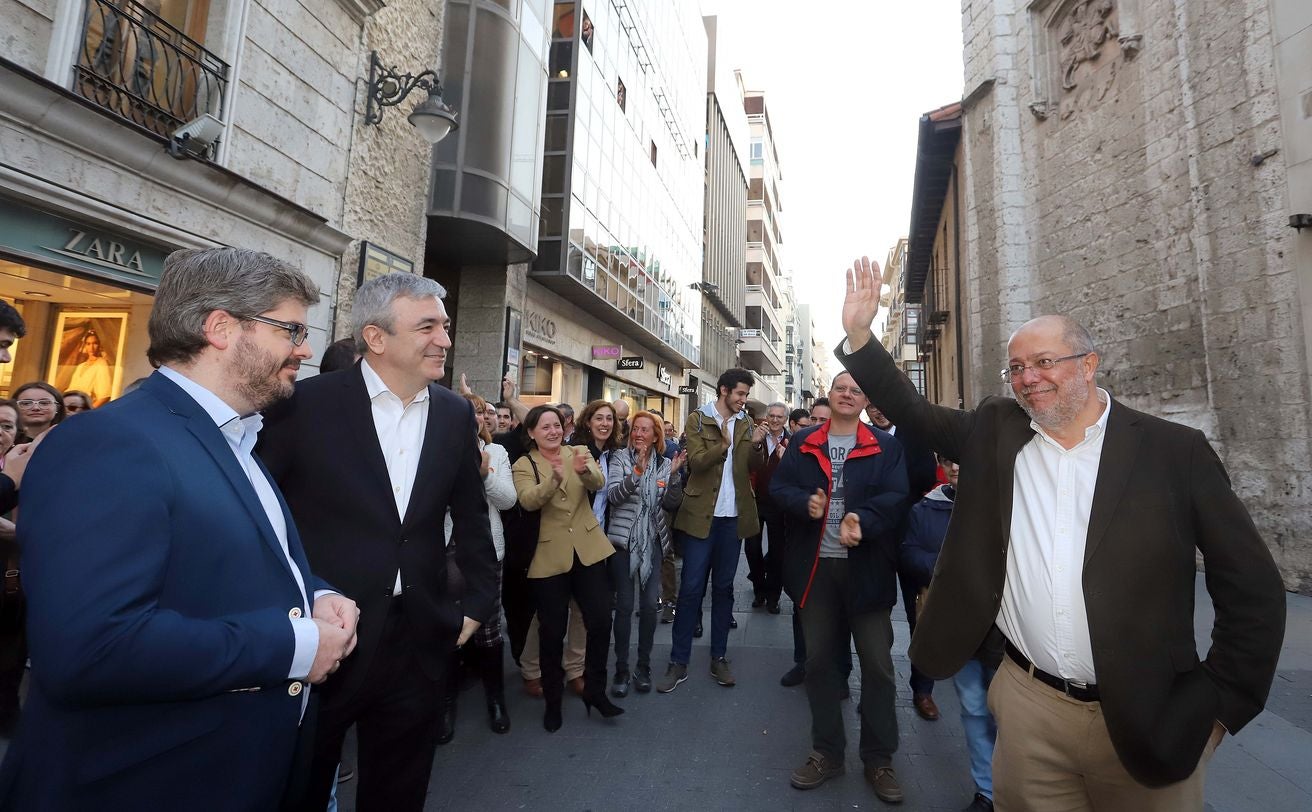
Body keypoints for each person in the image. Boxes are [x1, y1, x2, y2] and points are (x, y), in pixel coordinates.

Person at [837, 256, 1286, 809]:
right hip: (1029, 707)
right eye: (1017, 367)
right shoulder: (995, 430)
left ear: (1089, 363)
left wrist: (1219, 708)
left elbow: (1252, 588)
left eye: (1044, 361)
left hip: (1154, 712)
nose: (1028, 378)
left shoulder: (1174, 451)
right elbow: (911, 410)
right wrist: (859, 334)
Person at [0, 247, 357, 809]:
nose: (305, 349)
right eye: (291, 329)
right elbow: (90, 650)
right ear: (220, 328)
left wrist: (317, 593)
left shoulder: (236, 438)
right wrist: (293, 644)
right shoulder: (109, 443)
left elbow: (226, 562)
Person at [259, 272, 498, 812]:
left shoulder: (455, 414)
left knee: (400, 791)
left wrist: (479, 603)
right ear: (376, 337)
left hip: (421, 638)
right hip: (325, 638)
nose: (445, 339)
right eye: (428, 327)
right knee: (298, 786)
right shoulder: (302, 405)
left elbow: (470, 515)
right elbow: (263, 515)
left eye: (446, 326)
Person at [770, 370, 910, 803]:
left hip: (866, 573)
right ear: (829, 395)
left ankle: (879, 759)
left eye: (856, 390)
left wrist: (862, 521)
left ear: (866, 399)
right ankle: (827, 753)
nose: (848, 395)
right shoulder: (804, 441)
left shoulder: (886, 446)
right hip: (816, 572)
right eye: (841, 389)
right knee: (819, 666)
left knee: (879, 668)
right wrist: (803, 503)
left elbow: (896, 497)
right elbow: (779, 488)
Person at [511, 405, 622, 731]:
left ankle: (596, 692)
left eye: (556, 425)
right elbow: (528, 500)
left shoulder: (579, 450)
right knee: (552, 631)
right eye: (544, 426)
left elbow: (598, 483)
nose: (553, 431)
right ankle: (553, 702)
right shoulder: (523, 463)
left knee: (601, 620)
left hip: (588, 550)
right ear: (531, 432)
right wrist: (554, 479)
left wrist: (582, 471)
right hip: (548, 558)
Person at [657, 368, 766, 693]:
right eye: (740, 394)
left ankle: (719, 656)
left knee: (724, 589)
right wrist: (723, 444)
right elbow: (699, 463)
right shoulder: (698, 419)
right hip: (700, 516)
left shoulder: (745, 422)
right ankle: (679, 661)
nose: (744, 401)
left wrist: (757, 447)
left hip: (732, 518)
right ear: (723, 390)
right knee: (691, 589)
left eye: (746, 395)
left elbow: (751, 467)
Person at [902, 455, 996, 812]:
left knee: (1009, 712)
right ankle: (986, 791)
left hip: (1003, 628)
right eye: (947, 460)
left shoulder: (1006, 500)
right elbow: (908, 553)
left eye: (962, 459)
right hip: (957, 625)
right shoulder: (926, 507)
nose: (955, 466)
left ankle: (1015, 784)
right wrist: (943, 568)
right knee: (973, 708)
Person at [439, 392, 518, 741]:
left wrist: (483, 475)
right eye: (470, 411)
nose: (477, 417)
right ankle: (445, 704)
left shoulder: (496, 452)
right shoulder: (435, 449)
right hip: (441, 551)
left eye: (482, 412)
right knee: (445, 627)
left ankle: (496, 700)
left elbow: (508, 499)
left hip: (485, 552)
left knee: (487, 628)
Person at [866, 403, 942, 722]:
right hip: (877, 539)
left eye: (881, 405)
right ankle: (876, 688)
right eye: (871, 406)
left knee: (919, 615)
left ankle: (923, 690)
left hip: (911, 537)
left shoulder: (913, 436)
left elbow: (926, 475)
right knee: (874, 616)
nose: (878, 411)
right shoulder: (863, 437)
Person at [606, 411, 685, 696]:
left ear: (655, 436)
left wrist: (674, 477)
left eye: (645, 430)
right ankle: (622, 669)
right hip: (623, 543)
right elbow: (614, 496)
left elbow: (671, 504)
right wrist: (636, 473)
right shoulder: (619, 459)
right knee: (625, 607)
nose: (639, 434)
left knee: (650, 606)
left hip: (652, 542)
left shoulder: (665, 464)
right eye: (636, 429)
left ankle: (643, 666)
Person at [746, 401, 789, 613]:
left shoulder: (792, 442)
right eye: (771, 415)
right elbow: (744, 462)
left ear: (785, 420)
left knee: (777, 552)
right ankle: (759, 591)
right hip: (754, 501)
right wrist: (754, 443)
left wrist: (786, 459)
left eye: (779, 417)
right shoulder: (756, 437)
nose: (774, 420)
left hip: (779, 505)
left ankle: (773, 596)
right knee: (752, 548)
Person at [66, 329, 113, 407]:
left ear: (99, 345)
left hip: (86, 410)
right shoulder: (80, 366)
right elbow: (71, 389)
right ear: (85, 345)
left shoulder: (101, 364)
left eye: (95, 343)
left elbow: (105, 396)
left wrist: (88, 413)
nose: (91, 347)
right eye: (88, 344)